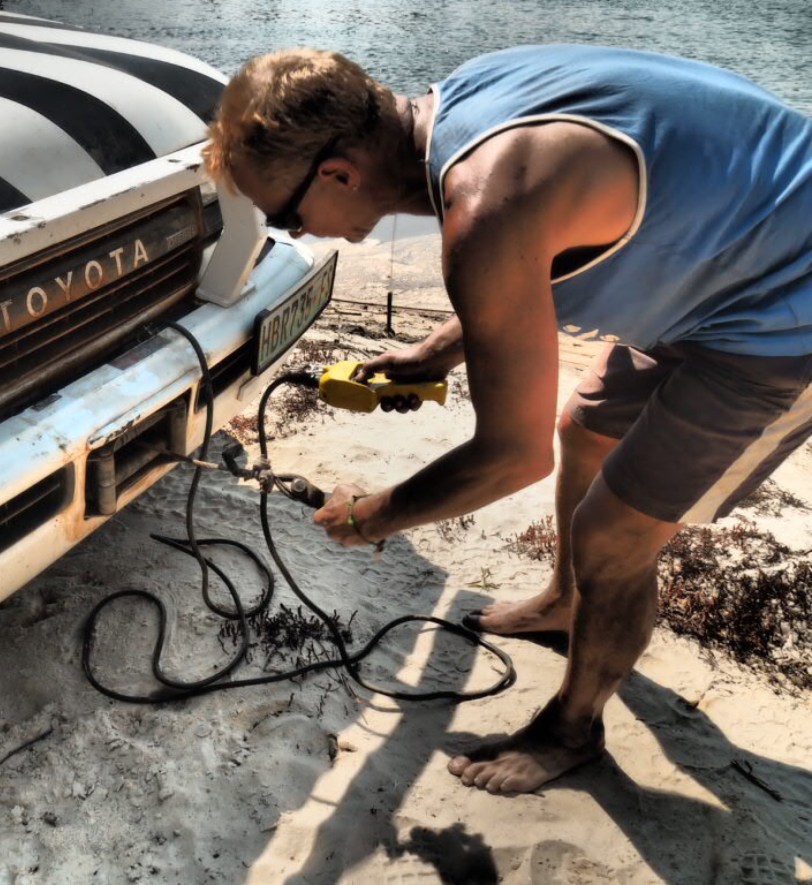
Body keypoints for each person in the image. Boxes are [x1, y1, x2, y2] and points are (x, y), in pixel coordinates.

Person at [202, 45, 812, 794]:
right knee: (583, 428)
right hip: (723, 258)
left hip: (783, 309)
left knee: (613, 535)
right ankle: (564, 603)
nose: (295, 234)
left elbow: (509, 457)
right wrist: (440, 349)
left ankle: (572, 731)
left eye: (287, 216)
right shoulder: (461, 109)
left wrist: (374, 517)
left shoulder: (484, 204)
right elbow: (534, 245)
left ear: (338, 174)